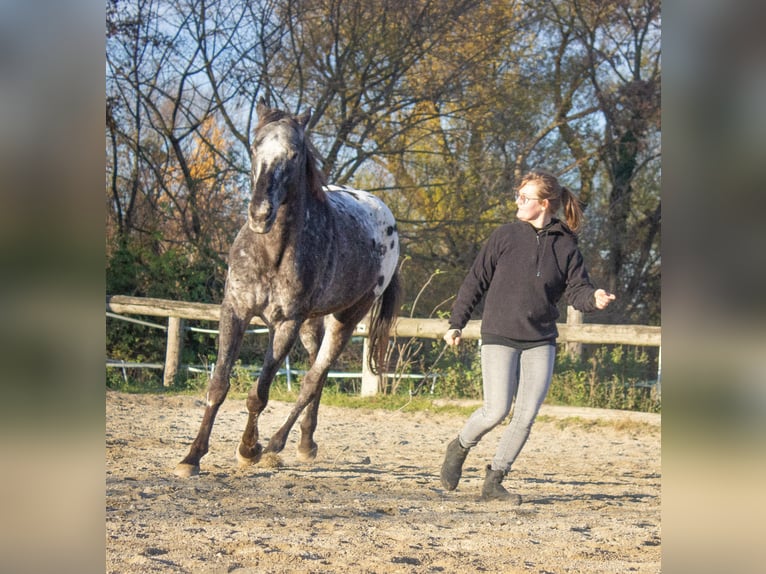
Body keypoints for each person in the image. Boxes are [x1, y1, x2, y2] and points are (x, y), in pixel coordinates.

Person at [439, 168, 616, 503]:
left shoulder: (566, 247)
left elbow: (577, 290)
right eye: (517, 195)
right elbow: (475, 281)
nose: (517, 201)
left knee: (525, 416)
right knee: (495, 411)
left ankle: (494, 481)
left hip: (540, 339)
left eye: (524, 197)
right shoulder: (504, 236)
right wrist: (456, 323)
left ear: (544, 203)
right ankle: (459, 447)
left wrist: (593, 299)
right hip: (499, 334)